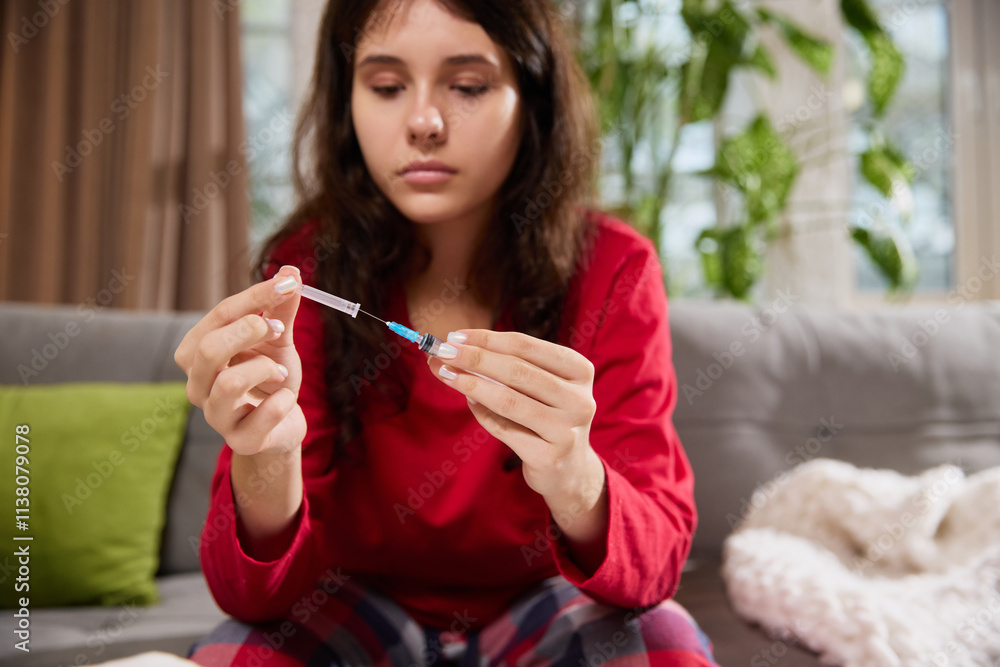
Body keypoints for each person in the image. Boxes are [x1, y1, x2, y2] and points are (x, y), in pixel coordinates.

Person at [173, 0, 717, 665]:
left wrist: (574, 475)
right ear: (348, 102)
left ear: (532, 96)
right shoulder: (307, 271)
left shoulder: (614, 269)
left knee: (662, 645)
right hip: (353, 603)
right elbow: (250, 599)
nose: (424, 123)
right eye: (386, 86)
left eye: (466, 86)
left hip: (544, 602)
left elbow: (653, 572)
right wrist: (266, 457)